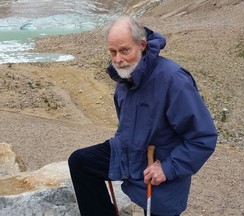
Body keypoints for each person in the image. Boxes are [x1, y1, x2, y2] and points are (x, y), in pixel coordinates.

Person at [68, 16, 218, 216]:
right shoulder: (125, 76)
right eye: (112, 52)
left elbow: (203, 137)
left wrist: (168, 168)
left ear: (142, 45)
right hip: (128, 153)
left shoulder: (173, 80)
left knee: (161, 209)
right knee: (81, 162)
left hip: (159, 164)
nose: (118, 59)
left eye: (124, 50)